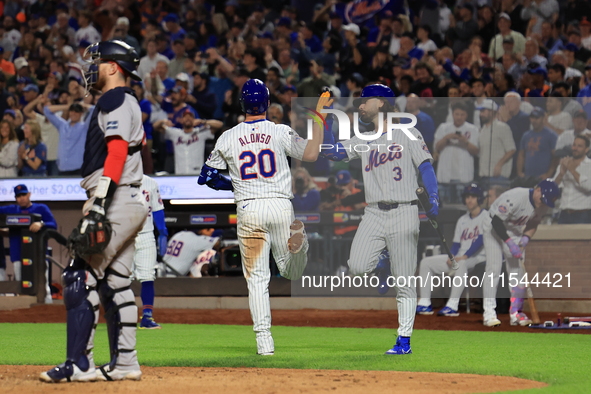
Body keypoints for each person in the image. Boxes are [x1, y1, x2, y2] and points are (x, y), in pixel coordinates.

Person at [40, 40, 148, 383]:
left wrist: (100, 202)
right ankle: (125, 363)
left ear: (114, 67)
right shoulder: (129, 101)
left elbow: (116, 152)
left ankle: (80, 364)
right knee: (116, 283)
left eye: (99, 62)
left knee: (78, 275)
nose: (93, 68)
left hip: (113, 196)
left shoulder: (114, 98)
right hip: (131, 196)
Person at [198, 79, 326, 356]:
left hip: (249, 208)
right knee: (293, 271)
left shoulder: (228, 136)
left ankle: (264, 341)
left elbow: (206, 177)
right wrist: (319, 118)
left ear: (242, 105)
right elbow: (312, 153)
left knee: (257, 279)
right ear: (267, 104)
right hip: (280, 205)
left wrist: (234, 184)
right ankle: (299, 244)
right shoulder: (279, 131)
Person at [318, 84, 439, 355]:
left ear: (381, 103)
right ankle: (381, 264)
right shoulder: (364, 137)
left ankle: (403, 341)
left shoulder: (407, 132)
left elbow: (425, 166)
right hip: (373, 212)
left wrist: (434, 197)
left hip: (405, 210)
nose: (360, 106)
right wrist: (324, 117)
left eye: (365, 101)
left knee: (405, 283)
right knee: (357, 266)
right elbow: (332, 151)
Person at [481, 179, 560, 327]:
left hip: (515, 230)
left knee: (517, 273)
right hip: (493, 228)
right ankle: (489, 314)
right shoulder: (516, 197)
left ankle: (516, 313)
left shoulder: (543, 205)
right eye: (542, 199)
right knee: (494, 269)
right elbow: (497, 223)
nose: (543, 203)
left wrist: (525, 239)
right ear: (537, 190)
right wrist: (509, 243)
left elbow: (533, 223)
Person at [416, 184, 487, 317]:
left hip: (478, 257)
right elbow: (455, 243)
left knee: (460, 264)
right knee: (426, 262)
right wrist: (452, 255)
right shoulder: (462, 219)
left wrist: (464, 256)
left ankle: (452, 305)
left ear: (480, 198)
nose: (469, 200)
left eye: (473, 197)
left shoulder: (486, 216)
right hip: (460, 257)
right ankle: (425, 303)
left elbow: (480, 241)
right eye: (467, 197)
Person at [0, 184, 57, 281]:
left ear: (29, 194)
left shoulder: (41, 208)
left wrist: (41, 224)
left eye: (23, 195)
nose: (21, 198)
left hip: (38, 253)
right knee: (21, 285)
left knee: (42, 284)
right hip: (18, 254)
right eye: (18, 196)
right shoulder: (12, 210)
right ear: (15, 198)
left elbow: (53, 224)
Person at [134, 175, 168, 329]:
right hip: (122, 236)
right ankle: (119, 316)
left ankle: (147, 317)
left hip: (146, 234)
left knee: (148, 277)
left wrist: (162, 231)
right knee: (121, 279)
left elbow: (158, 209)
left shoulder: (150, 182)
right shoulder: (116, 178)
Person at [433, 101, 479, 203]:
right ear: (452, 114)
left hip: (463, 176)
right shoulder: (443, 128)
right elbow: (437, 147)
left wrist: (465, 142)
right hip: (445, 175)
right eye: (457, 114)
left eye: (462, 115)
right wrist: (447, 138)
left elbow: (476, 151)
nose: (459, 117)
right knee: (444, 207)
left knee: (462, 206)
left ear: (466, 115)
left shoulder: (472, 129)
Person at [154, 109, 222, 175]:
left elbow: (220, 125)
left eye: (190, 116)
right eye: (185, 116)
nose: (188, 118)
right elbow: (155, 126)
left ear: (194, 119)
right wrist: (163, 121)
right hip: (180, 174)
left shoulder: (200, 132)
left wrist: (203, 121)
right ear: (181, 120)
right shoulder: (175, 133)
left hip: (196, 173)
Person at [43, 102, 94, 175]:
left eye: (76, 111)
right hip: (62, 168)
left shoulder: (85, 127)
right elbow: (46, 110)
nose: (73, 113)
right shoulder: (62, 125)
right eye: (71, 111)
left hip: (79, 168)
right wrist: (68, 106)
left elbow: (95, 110)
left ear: (81, 114)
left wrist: (84, 105)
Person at [477, 99, 516, 186]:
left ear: (492, 112)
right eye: (480, 111)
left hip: (499, 177)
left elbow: (511, 150)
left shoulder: (503, 127)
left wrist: (499, 164)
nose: (481, 114)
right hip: (484, 176)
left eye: (483, 111)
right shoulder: (482, 130)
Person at [553, 135, 591, 224]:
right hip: (564, 214)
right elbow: (552, 189)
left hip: (583, 214)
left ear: (586, 149)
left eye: (579, 146)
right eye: (574, 145)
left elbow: (588, 186)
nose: (575, 148)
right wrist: (560, 174)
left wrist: (572, 170)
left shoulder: (589, 166)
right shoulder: (564, 163)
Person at [516, 107, 558, 180]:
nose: (534, 120)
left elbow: (556, 157)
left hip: (543, 177)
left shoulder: (551, 135)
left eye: (537, 118)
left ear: (543, 118)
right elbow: (521, 155)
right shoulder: (526, 135)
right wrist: (520, 173)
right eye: (532, 118)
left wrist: (548, 174)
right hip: (527, 177)